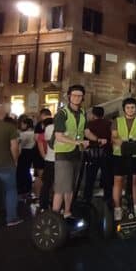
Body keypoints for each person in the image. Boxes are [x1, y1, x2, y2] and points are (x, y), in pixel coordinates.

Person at [52, 85, 90, 218]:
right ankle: (54, 216)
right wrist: (77, 142)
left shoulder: (83, 112)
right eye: (74, 95)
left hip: (77, 153)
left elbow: (86, 131)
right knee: (62, 186)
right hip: (63, 153)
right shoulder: (62, 113)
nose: (77, 98)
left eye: (79, 96)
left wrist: (98, 139)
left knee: (71, 186)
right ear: (69, 96)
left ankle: (67, 212)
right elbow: (59, 135)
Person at [111, 98, 136, 220]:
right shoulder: (117, 121)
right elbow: (114, 136)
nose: (130, 110)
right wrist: (123, 142)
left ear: (135, 109)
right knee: (118, 180)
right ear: (124, 109)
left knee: (135, 180)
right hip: (120, 154)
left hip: (135, 154)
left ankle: (135, 205)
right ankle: (117, 208)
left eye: (132, 108)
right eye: (128, 108)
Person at [84, 106, 111, 202]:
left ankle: (87, 197)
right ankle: (108, 197)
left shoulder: (89, 124)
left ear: (93, 114)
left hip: (93, 153)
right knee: (107, 176)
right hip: (107, 152)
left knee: (90, 177)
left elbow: (86, 136)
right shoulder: (109, 123)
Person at [32, 109, 53, 202]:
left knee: (40, 177)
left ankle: (38, 197)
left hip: (40, 153)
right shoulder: (55, 123)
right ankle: (50, 197)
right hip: (53, 155)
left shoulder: (40, 124)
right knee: (51, 178)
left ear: (42, 115)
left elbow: (36, 139)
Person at [37, 118, 55, 211]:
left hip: (49, 159)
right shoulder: (64, 129)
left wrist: (45, 157)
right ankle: (55, 205)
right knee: (57, 185)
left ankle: (43, 204)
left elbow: (43, 147)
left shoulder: (47, 130)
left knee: (46, 183)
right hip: (60, 160)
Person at [16, 117, 36, 200]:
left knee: (20, 171)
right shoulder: (34, 133)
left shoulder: (25, 134)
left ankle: (21, 189)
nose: (21, 125)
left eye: (23, 124)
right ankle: (28, 189)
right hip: (31, 152)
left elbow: (18, 143)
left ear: (26, 124)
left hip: (24, 153)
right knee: (26, 171)